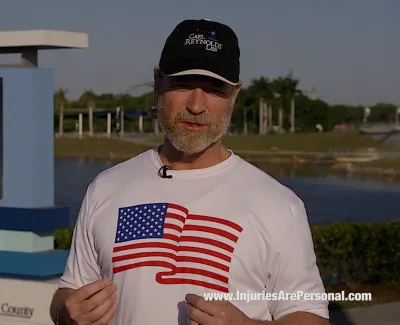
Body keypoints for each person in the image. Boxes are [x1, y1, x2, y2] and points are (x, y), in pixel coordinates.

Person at [50, 18, 330, 325]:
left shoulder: (280, 206)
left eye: (213, 89)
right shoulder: (106, 187)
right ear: (158, 83)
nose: (196, 105)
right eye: (183, 85)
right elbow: (69, 291)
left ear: (234, 96)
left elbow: (310, 317)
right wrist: (66, 314)